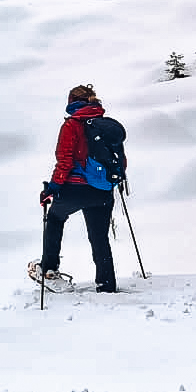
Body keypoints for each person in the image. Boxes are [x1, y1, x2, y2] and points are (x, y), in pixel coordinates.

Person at [34, 84, 120, 293]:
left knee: (55, 219)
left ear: (72, 101)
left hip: (74, 189)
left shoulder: (72, 125)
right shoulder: (106, 125)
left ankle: (49, 269)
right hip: (102, 190)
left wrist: (52, 189)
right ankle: (106, 284)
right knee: (99, 237)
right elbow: (121, 160)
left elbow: (64, 161)